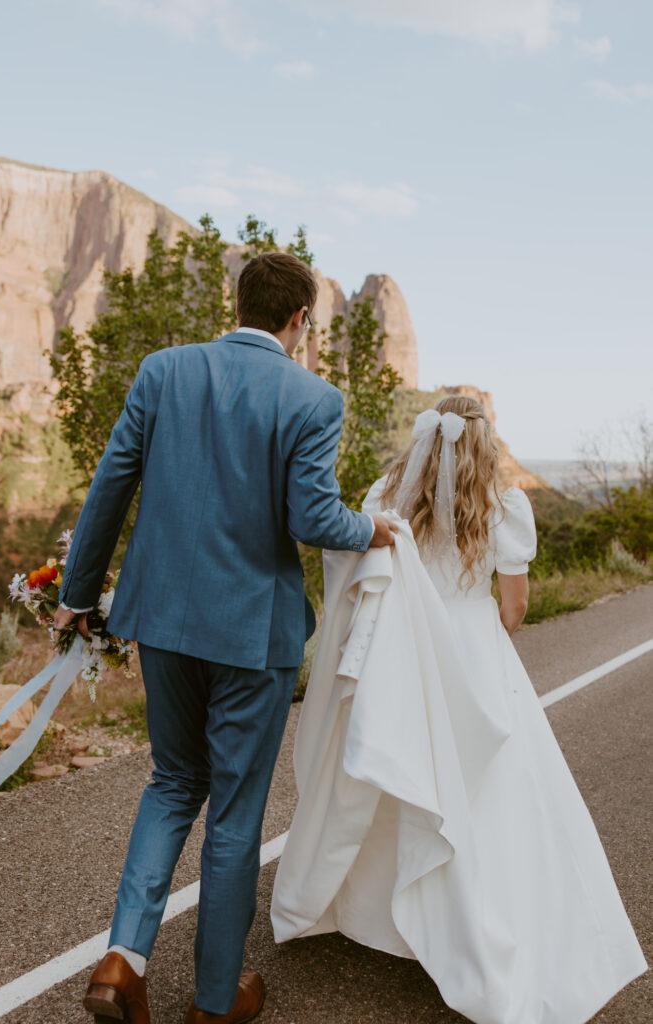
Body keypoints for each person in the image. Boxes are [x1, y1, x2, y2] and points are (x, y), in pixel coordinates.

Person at [53, 251, 397, 1024]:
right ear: (300, 319)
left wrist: (78, 597)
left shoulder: (163, 370)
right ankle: (213, 1002)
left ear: (238, 302)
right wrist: (369, 528)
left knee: (173, 782)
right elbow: (313, 520)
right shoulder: (314, 397)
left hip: (162, 623)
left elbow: (111, 483)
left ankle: (123, 959)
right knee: (235, 814)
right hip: (252, 635)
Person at [271, 395, 648, 1024]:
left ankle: (379, 909)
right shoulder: (504, 507)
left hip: (404, 657)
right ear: (482, 443)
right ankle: (465, 922)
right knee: (487, 786)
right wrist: (484, 634)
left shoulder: (386, 495)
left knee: (402, 771)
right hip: (475, 652)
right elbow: (515, 606)